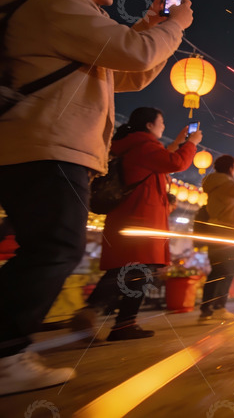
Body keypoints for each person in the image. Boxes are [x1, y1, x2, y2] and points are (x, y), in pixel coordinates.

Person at [0, 0, 193, 394]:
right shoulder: (55, 2)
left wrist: (151, 26)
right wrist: (174, 25)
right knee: (55, 248)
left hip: (38, 143)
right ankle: (5, 354)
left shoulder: (64, 10)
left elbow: (127, 73)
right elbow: (132, 54)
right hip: (48, 145)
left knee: (44, 247)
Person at [72, 108, 200, 339]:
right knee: (133, 269)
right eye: (161, 122)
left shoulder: (136, 147)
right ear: (149, 125)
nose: (163, 126)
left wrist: (180, 141)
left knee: (136, 269)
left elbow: (159, 161)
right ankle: (93, 311)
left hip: (130, 217)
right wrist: (191, 144)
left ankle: (124, 323)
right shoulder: (144, 147)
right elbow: (176, 163)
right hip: (142, 219)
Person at [198, 155, 234, 322]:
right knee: (228, 270)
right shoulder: (226, 185)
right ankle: (219, 308)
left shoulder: (216, 183)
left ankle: (206, 310)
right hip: (229, 232)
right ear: (231, 168)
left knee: (216, 271)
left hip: (215, 231)